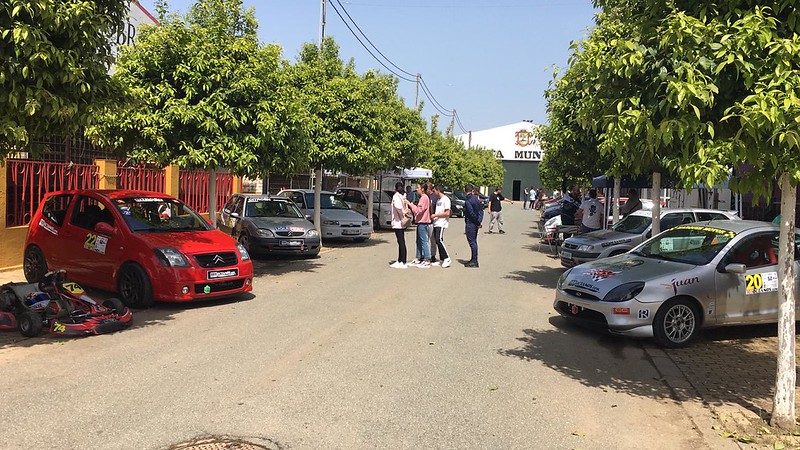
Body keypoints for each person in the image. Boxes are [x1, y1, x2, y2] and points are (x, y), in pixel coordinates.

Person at [405, 183, 432, 268]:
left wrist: (410, 204)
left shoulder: (424, 198)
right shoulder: (423, 198)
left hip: (423, 222)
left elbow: (418, 211)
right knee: (419, 241)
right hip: (420, 222)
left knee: (424, 241)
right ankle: (418, 257)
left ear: (422, 189)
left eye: (418, 188)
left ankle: (427, 258)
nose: (417, 189)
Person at [431, 185, 452, 268]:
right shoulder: (438, 200)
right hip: (436, 222)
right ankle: (442, 258)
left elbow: (447, 213)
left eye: (434, 191)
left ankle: (447, 258)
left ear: (438, 190)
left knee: (438, 239)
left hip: (441, 223)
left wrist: (436, 215)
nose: (434, 193)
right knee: (437, 240)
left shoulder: (446, 199)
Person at [389, 182, 409, 269]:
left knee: (401, 242)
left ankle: (403, 261)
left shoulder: (396, 196)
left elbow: (398, 208)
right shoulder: (403, 196)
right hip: (402, 222)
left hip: (398, 222)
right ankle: (400, 260)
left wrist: (402, 213)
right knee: (401, 241)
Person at [463, 184, 483, 268]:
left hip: (471, 223)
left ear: (465, 191)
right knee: (474, 241)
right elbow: (481, 211)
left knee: (472, 242)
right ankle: (473, 259)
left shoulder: (468, 201)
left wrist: (477, 223)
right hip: (475, 223)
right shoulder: (476, 199)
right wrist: (479, 221)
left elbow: (471, 213)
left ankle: (474, 261)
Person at [427, 183, 439, 264]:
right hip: (425, 220)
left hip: (432, 221)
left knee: (433, 240)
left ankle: (433, 255)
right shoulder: (425, 196)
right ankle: (425, 255)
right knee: (425, 240)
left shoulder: (434, 197)